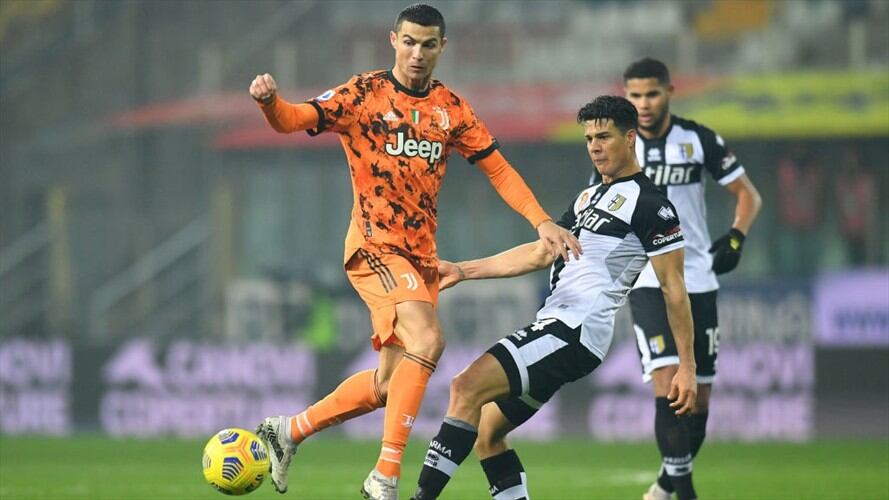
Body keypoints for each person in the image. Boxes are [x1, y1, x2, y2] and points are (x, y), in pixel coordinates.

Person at [247, 4, 580, 499]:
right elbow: (295, 119)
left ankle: (287, 431)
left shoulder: (452, 110)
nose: (417, 53)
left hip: (421, 259)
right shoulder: (363, 94)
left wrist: (542, 220)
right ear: (392, 40)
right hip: (375, 248)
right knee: (428, 341)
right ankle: (385, 476)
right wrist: (271, 103)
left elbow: (498, 169)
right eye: (408, 42)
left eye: (428, 44)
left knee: (389, 384)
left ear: (442, 47)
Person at [411, 96, 697, 500]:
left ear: (630, 138)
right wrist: (464, 270)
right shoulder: (586, 198)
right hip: (556, 325)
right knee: (488, 434)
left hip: (574, 331)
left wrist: (687, 366)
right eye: (588, 138)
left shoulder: (651, 204)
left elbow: (674, 288)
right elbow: (543, 250)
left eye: (604, 137)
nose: (594, 146)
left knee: (466, 386)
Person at [621, 58, 762, 500]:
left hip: (698, 276)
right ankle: (684, 492)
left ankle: (664, 487)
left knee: (697, 400)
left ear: (669, 92)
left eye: (651, 94)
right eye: (635, 96)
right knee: (668, 382)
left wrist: (736, 238)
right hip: (646, 278)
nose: (643, 104)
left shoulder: (698, 139)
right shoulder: (620, 146)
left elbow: (748, 195)